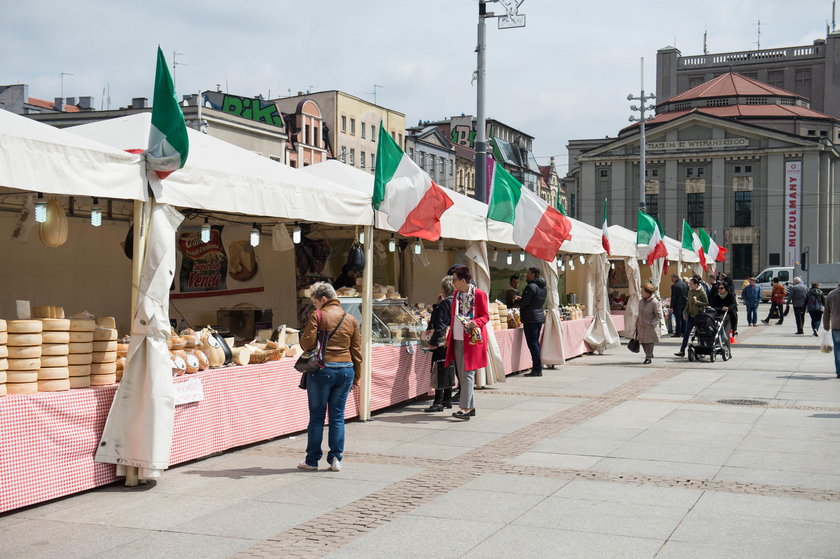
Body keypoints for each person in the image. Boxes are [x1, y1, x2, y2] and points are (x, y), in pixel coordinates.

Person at [298, 282, 362, 472]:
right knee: (337, 416)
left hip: (322, 370)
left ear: (323, 299)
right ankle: (336, 458)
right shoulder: (350, 318)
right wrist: (356, 376)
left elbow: (306, 345)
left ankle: (312, 460)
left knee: (317, 417)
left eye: (315, 302)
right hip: (345, 370)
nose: (314, 306)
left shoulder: (317, 315)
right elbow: (356, 351)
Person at [445, 266, 490, 420]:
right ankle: (470, 407)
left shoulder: (479, 294)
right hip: (457, 337)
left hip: (471, 339)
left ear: (463, 280)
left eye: (454, 280)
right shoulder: (457, 294)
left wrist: (474, 323)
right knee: (463, 374)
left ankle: (464, 409)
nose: (453, 283)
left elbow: (485, 316)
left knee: (468, 373)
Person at [424, 276, 456, 412]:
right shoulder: (455, 301)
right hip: (451, 340)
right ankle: (447, 399)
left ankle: (438, 402)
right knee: (448, 368)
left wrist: (435, 342)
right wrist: (437, 305)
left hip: (442, 341)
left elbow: (440, 324)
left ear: (444, 289)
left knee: (438, 369)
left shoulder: (445, 303)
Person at [519, 267, 547, 377]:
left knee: (533, 344)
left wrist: (518, 300)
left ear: (533, 275)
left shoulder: (530, 287)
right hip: (539, 317)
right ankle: (537, 367)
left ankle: (537, 368)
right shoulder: (543, 288)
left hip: (530, 318)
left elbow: (525, 302)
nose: (526, 275)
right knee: (536, 343)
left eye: (528, 274)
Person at [675, 277, 709, 358]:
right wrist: (685, 312)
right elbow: (688, 304)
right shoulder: (690, 292)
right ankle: (682, 351)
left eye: (691, 284)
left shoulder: (701, 292)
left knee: (701, 334)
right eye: (689, 284)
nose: (689, 285)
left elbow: (706, 303)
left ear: (696, 284)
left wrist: (697, 302)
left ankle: (703, 351)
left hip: (699, 316)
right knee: (686, 333)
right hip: (691, 316)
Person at [635, 282, 662, 364]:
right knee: (643, 341)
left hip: (650, 326)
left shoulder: (654, 302)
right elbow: (639, 313)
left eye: (642, 291)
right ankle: (649, 353)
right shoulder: (641, 301)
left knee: (649, 342)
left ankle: (648, 357)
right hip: (641, 325)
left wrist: (652, 323)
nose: (641, 293)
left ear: (647, 292)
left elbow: (659, 315)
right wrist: (637, 323)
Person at [822, 285, 840, 378]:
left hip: (836, 325)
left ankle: (839, 371)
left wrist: (826, 326)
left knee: (838, 349)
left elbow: (826, 312)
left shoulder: (831, 294)